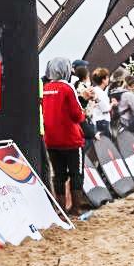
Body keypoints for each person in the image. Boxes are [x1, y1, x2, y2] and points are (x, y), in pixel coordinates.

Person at [42, 57, 87, 214]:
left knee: (58, 175)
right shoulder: (68, 88)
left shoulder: (46, 87)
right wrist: (84, 114)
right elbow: (76, 115)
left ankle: (60, 209)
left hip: (52, 140)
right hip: (71, 140)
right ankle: (75, 208)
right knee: (76, 174)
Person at [88, 67, 113, 137]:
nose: (108, 80)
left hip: (97, 120)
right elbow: (105, 109)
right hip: (102, 121)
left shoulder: (95, 90)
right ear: (103, 80)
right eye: (107, 78)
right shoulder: (100, 93)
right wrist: (112, 104)